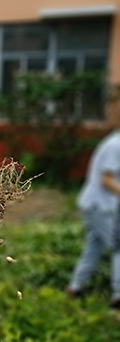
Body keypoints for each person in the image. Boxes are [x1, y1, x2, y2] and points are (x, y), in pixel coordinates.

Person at [66, 116, 120, 310]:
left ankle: (75, 288)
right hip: (100, 206)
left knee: (95, 246)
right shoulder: (116, 145)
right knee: (118, 246)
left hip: (98, 205)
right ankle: (118, 296)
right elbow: (107, 180)